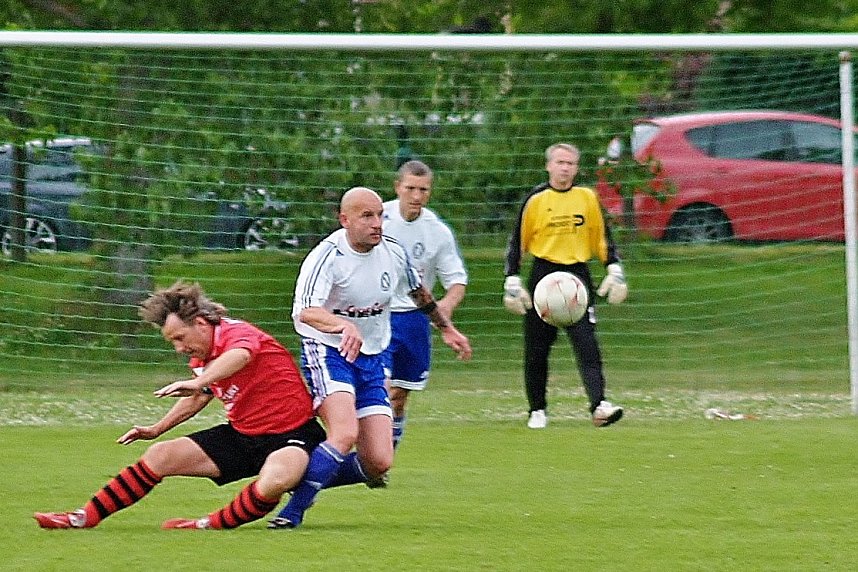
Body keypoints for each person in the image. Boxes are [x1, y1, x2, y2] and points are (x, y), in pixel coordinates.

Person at [33, 281, 325, 530]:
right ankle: (81, 518)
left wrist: (200, 381)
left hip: (293, 434)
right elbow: (199, 396)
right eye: (172, 342)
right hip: (243, 436)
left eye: (179, 338)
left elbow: (241, 357)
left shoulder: (236, 334)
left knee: (276, 479)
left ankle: (208, 524)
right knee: (160, 455)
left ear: (200, 324)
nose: (179, 348)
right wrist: (156, 429)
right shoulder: (202, 358)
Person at [268, 186, 471, 529]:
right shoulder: (327, 256)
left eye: (379, 215)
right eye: (367, 216)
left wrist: (445, 327)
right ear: (344, 219)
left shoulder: (393, 251)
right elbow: (305, 312)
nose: (377, 223)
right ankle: (293, 512)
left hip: (372, 359)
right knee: (344, 433)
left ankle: (297, 477)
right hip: (328, 352)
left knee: (378, 461)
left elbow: (419, 292)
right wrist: (341, 326)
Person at [503, 142, 627, 430]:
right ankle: (537, 410)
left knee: (588, 344)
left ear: (576, 167)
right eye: (559, 162)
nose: (565, 168)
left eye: (570, 163)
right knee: (536, 348)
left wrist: (614, 267)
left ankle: (599, 405)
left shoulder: (587, 198)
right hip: (543, 276)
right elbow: (517, 240)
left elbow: (602, 237)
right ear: (548, 165)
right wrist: (512, 277)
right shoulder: (535, 200)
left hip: (577, 278)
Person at [381, 160, 467, 450]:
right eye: (410, 189)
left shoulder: (437, 231)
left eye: (423, 190)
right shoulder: (378, 219)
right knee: (379, 391)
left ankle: (383, 461)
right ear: (398, 188)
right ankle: (368, 454)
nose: (416, 196)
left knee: (399, 396)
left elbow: (456, 280)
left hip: (414, 320)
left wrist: (447, 306)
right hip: (377, 317)